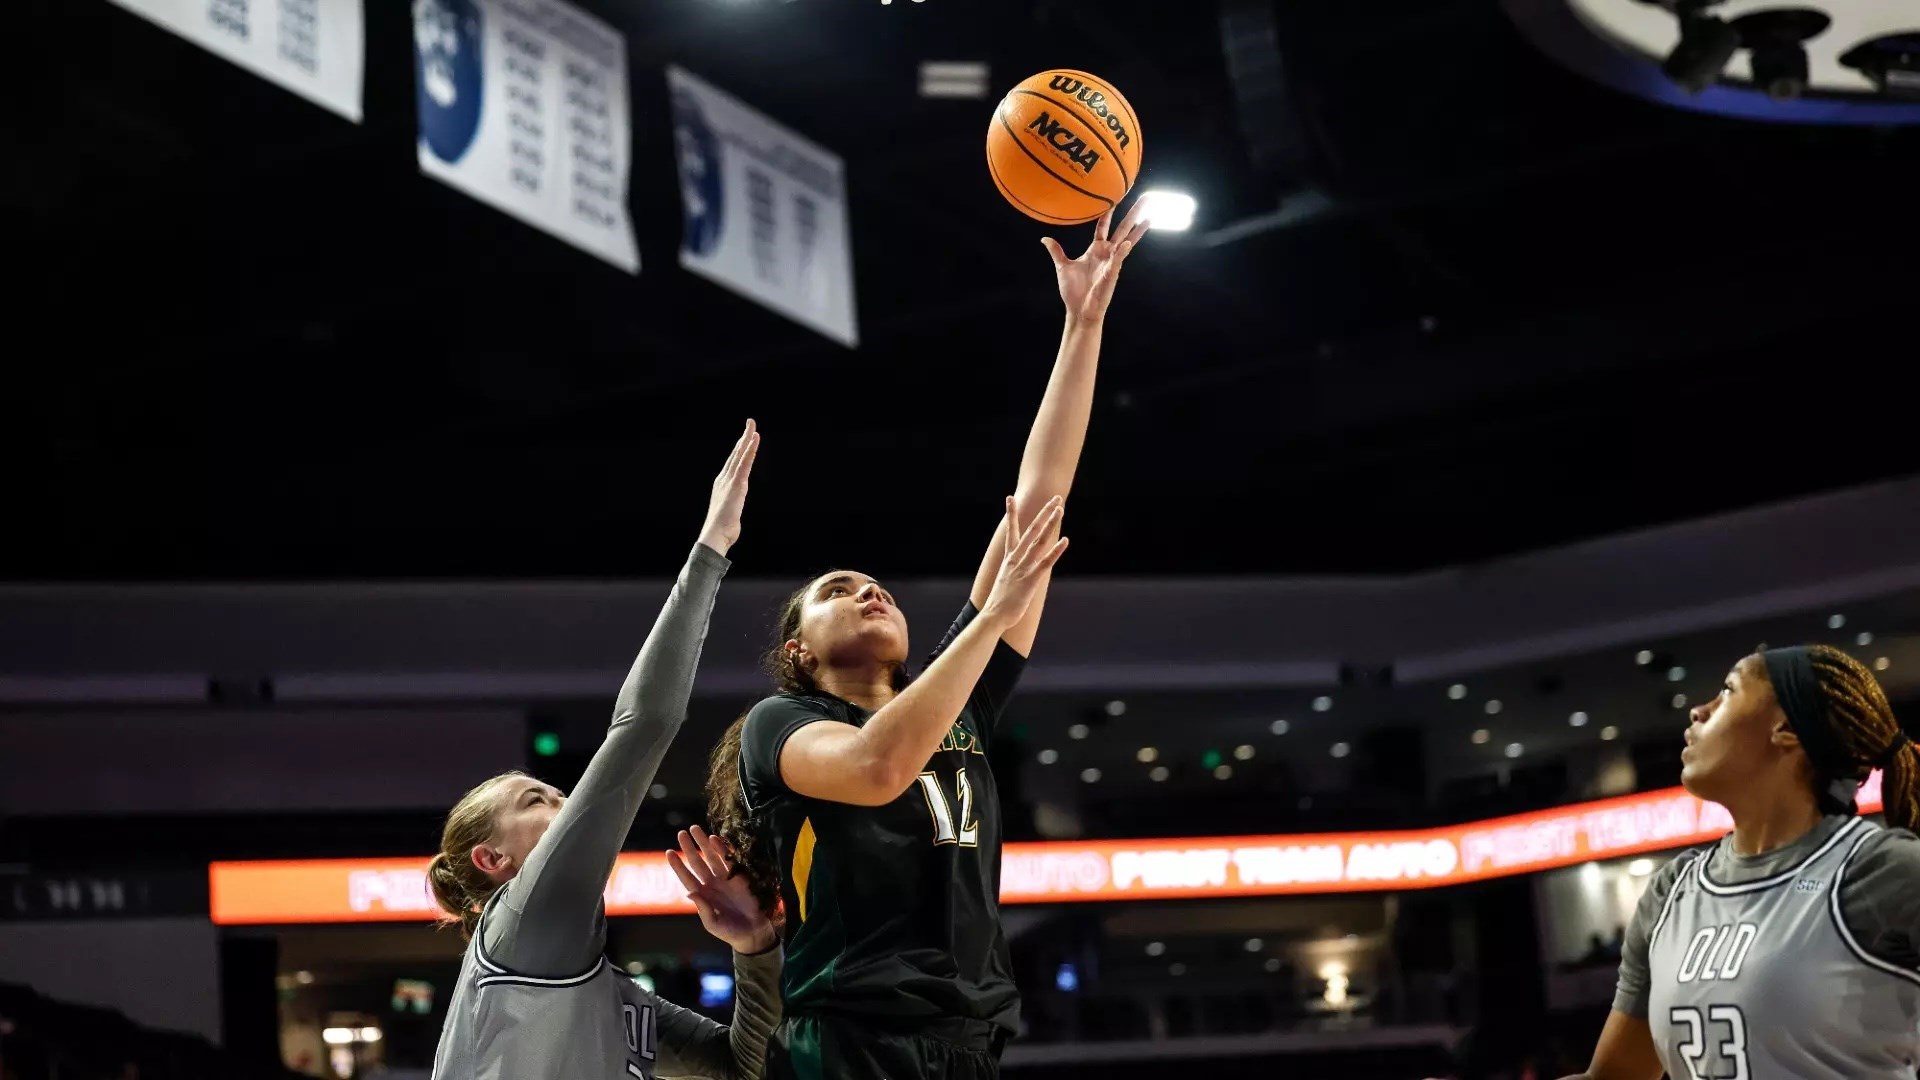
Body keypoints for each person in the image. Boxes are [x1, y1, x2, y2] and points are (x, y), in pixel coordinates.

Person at [703, 203, 1150, 1080]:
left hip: (970, 1038)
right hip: (848, 1039)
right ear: (799, 650)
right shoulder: (781, 723)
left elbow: (1041, 493)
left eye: (879, 586)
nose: (870, 590)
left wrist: (1083, 323)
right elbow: (877, 766)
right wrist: (989, 618)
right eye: (838, 592)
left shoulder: (961, 696)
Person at [428, 421, 782, 1080]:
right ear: (493, 858)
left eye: (559, 793)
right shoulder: (521, 922)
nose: (567, 804)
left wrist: (756, 948)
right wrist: (712, 547)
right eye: (538, 800)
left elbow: (742, 1068)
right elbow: (644, 724)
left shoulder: (599, 987)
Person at [1563, 644, 1920, 1079]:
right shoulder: (1671, 890)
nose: (1698, 710)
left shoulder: (1883, 870)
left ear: (1785, 727)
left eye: (1728, 691)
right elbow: (1615, 1078)